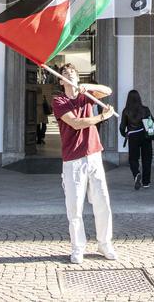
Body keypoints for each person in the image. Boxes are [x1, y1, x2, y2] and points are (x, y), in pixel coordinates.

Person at [52, 63, 118, 264]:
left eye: (72, 72)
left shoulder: (85, 96)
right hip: (73, 159)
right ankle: (78, 248)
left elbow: (108, 91)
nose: (69, 74)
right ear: (61, 80)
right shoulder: (59, 100)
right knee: (75, 207)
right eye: (65, 73)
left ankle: (104, 243)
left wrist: (87, 88)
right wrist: (102, 117)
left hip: (94, 155)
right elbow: (75, 123)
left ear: (77, 77)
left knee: (103, 202)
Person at [119, 89, 154, 190]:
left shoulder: (126, 111)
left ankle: (136, 174)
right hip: (145, 136)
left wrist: (125, 134)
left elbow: (122, 127)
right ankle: (146, 182)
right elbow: (152, 122)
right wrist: (150, 133)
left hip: (133, 136)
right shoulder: (145, 109)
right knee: (147, 159)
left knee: (133, 159)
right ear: (139, 98)